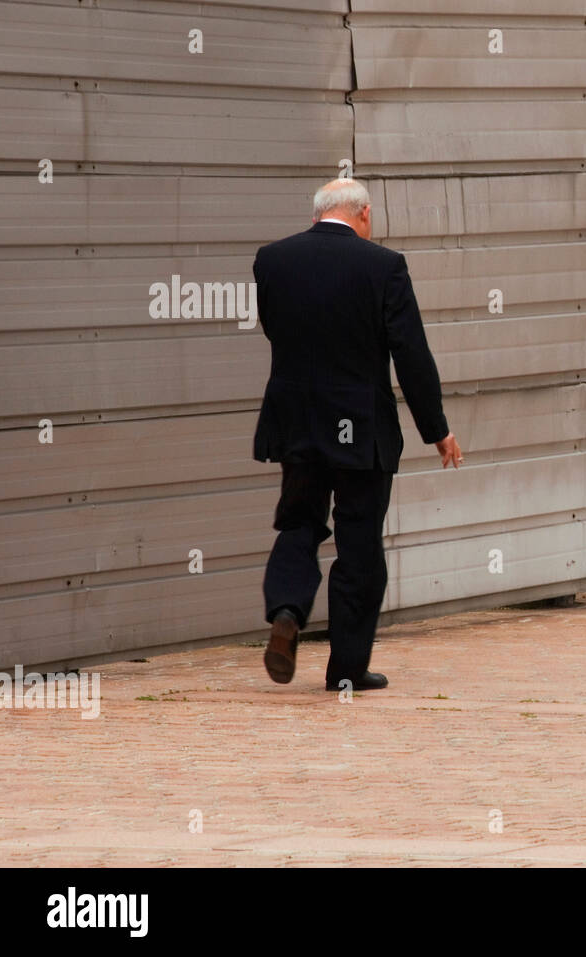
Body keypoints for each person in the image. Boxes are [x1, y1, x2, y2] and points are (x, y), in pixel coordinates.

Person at [252, 178, 463, 691]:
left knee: (299, 523)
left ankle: (286, 611)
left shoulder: (272, 261)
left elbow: (276, 330)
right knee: (359, 545)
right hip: (360, 430)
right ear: (363, 215)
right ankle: (346, 669)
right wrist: (437, 430)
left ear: (319, 213)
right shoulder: (384, 266)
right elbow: (410, 353)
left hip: (297, 420)